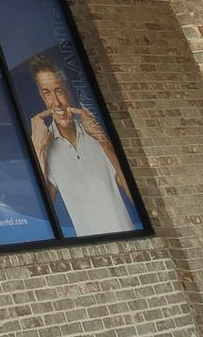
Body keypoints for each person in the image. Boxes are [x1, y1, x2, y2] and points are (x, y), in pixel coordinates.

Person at [26, 56, 136, 236]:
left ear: (68, 91)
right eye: (47, 93)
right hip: (91, 247)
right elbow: (43, 209)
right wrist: (38, 147)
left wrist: (103, 140)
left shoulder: (94, 134)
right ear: (41, 95)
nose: (56, 102)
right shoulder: (45, 145)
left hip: (127, 236)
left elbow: (134, 196)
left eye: (59, 91)